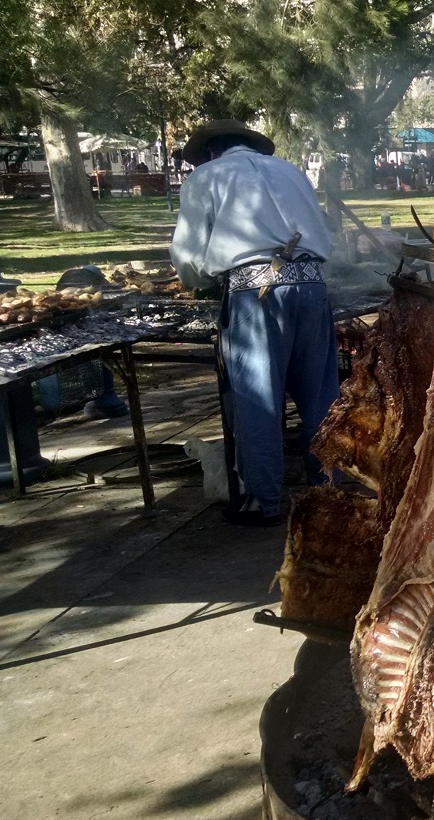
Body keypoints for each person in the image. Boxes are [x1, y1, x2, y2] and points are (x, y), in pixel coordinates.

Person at [170, 119, 337, 527]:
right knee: (321, 398)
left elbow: (190, 256)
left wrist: (199, 281)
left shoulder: (206, 177)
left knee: (258, 400)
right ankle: (330, 488)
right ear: (251, 145)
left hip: (255, 295)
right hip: (312, 289)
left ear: (211, 152)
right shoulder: (292, 171)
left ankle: (263, 502)